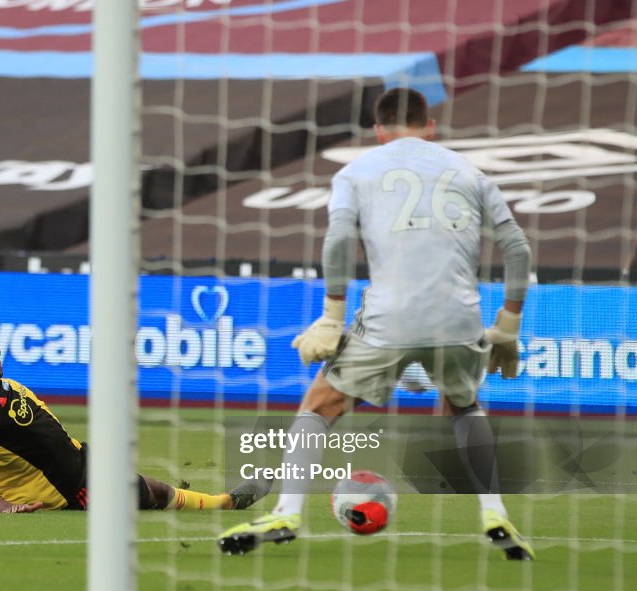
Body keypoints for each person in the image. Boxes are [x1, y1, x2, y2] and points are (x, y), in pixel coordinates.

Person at [219, 88, 535, 560]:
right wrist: (507, 326)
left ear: (378, 131)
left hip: (390, 315)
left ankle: (286, 514)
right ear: (430, 127)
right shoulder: (470, 172)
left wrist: (331, 318)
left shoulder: (356, 171)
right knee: (465, 407)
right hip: (459, 315)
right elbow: (518, 250)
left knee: (320, 402)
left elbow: (338, 241)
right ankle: (496, 515)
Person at [0, 322, 263, 513]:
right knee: (150, 492)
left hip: (78, 460)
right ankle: (224, 503)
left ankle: (221, 502)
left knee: (150, 488)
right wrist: (4, 505)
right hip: (69, 486)